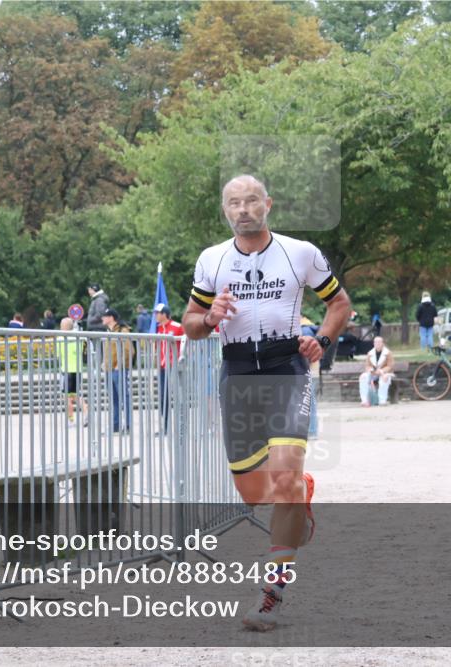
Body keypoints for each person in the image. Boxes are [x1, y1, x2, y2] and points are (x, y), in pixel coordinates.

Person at [181, 174, 351, 631]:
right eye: (234, 203)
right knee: (253, 493)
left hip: (286, 368)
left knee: (284, 477)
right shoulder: (211, 260)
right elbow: (190, 323)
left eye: (251, 200)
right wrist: (209, 317)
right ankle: (300, 496)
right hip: (236, 373)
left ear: (268, 204)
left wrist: (322, 338)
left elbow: (340, 304)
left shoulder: (300, 253)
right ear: (225, 210)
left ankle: (271, 595)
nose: (243, 209)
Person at [101, 309, 133, 433]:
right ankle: (116, 425)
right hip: (109, 369)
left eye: (104, 316)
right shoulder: (108, 331)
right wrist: (104, 363)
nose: (102, 319)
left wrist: (119, 365)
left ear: (111, 317)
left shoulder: (122, 330)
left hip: (118, 369)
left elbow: (127, 349)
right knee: (114, 399)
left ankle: (128, 425)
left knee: (124, 397)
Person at [155, 304, 184, 431]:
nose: (155, 315)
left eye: (157, 313)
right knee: (163, 397)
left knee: (178, 396)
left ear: (164, 314)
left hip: (174, 367)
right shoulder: (158, 328)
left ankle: (181, 425)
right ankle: (165, 426)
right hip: (162, 367)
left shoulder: (177, 327)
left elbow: (186, 344)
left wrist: (181, 360)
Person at [56, 317, 88, 425]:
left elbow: (58, 355)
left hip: (66, 370)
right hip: (77, 369)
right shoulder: (78, 337)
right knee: (76, 394)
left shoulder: (60, 338)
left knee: (67, 396)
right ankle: (85, 412)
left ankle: (71, 420)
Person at [359, 336, 394, 407]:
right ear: (373, 343)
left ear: (382, 343)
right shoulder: (370, 353)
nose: (377, 343)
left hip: (385, 373)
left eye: (379, 342)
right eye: (375, 342)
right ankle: (364, 401)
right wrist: (371, 370)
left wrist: (381, 371)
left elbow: (390, 366)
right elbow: (367, 366)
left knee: (384, 379)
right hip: (373, 373)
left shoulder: (388, 353)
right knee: (363, 377)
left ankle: (382, 401)